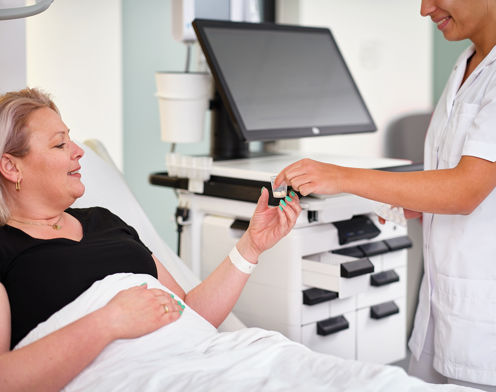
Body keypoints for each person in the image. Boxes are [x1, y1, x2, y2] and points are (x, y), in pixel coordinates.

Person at [275, 0, 496, 390]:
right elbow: (462, 179)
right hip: (445, 311)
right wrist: (421, 200)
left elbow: (465, 189)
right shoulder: (467, 62)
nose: (424, 9)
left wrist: (341, 177)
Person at [0, 88, 301, 391]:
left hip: (198, 363)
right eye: (60, 144)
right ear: (11, 167)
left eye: (71, 138)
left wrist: (251, 245)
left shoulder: (104, 221)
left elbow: (188, 312)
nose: (78, 150)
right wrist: (110, 322)